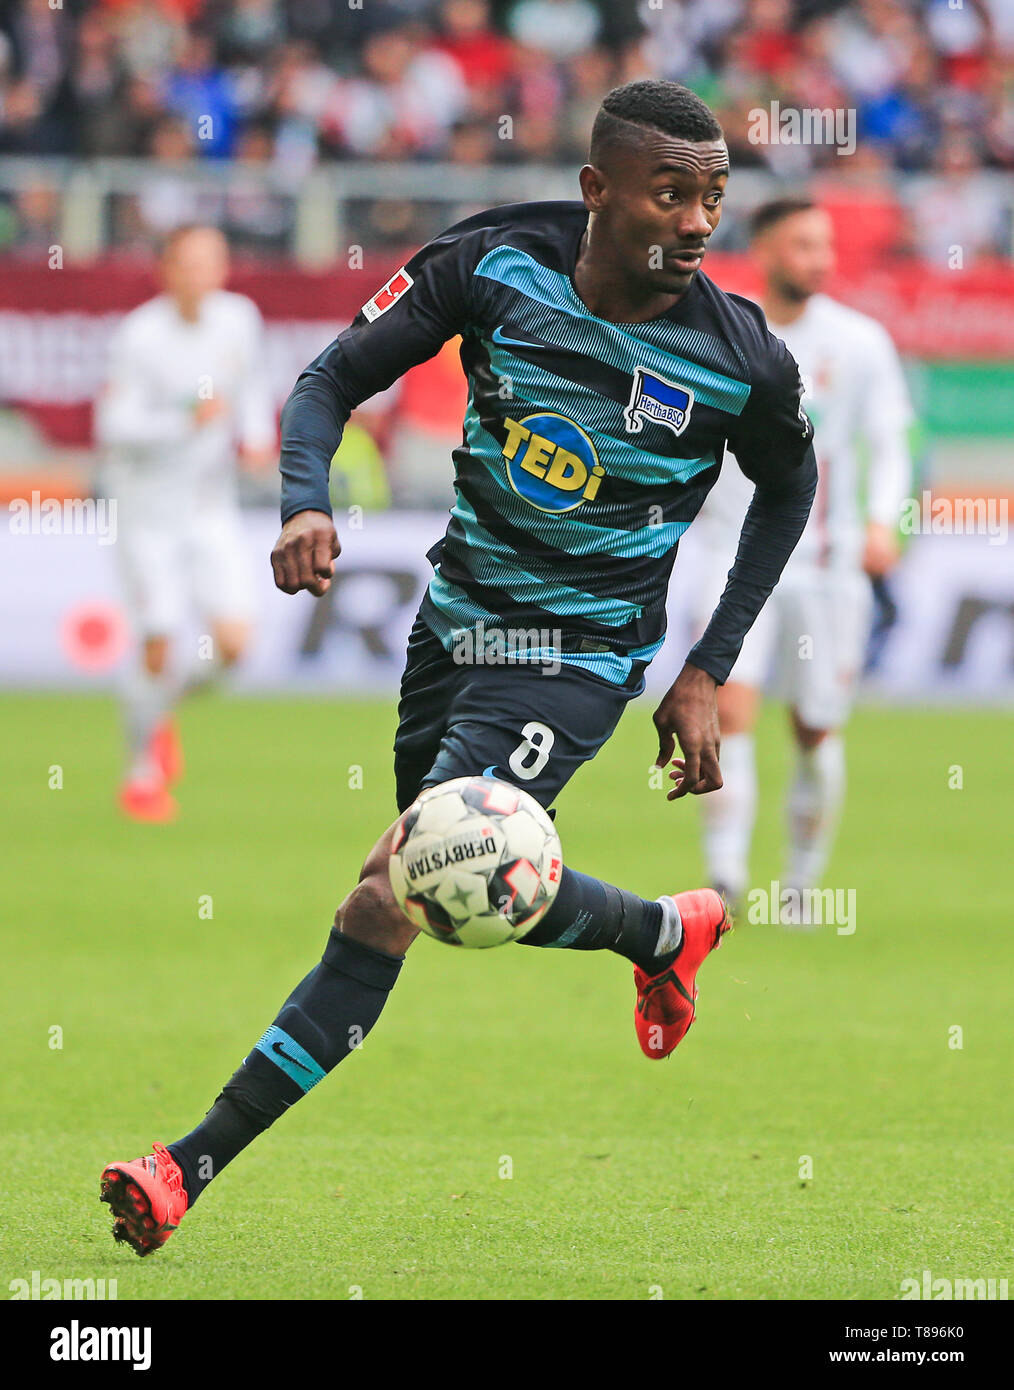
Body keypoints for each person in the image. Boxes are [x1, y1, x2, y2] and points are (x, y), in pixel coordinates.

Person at [100, 80, 816, 1254]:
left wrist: (707, 664)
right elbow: (330, 378)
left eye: (713, 198)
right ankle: (657, 932)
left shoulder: (738, 357)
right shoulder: (490, 267)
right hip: (458, 627)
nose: (696, 222)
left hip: (579, 654)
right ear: (598, 192)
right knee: (452, 883)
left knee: (391, 891)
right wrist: (302, 500)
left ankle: (185, 1165)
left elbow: (791, 486)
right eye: (670, 194)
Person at [690, 198, 912, 913]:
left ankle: (803, 886)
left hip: (827, 568)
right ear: (765, 252)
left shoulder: (860, 342)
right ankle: (726, 879)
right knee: (728, 711)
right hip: (730, 559)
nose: (820, 258)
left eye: (826, 245)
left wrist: (882, 523)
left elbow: (889, 446)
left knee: (815, 730)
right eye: (803, 245)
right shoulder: (724, 336)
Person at [95, 224, 277, 823]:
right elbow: (113, 427)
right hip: (148, 512)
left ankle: (161, 705)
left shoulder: (238, 319)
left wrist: (254, 439)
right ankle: (141, 773)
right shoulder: (141, 336)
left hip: (208, 505)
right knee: (158, 639)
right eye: (189, 263)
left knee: (233, 646)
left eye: (212, 262)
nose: (201, 274)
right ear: (166, 269)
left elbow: (248, 389)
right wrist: (186, 421)